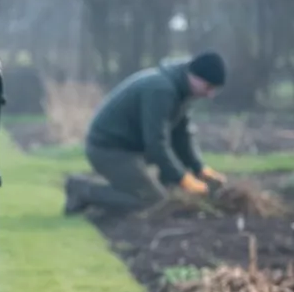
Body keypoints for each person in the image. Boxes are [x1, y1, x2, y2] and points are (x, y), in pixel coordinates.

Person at [64, 51, 228, 217]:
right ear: (194, 76)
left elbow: (182, 136)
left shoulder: (182, 91)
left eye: (214, 90)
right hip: (108, 149)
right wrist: (182, 178)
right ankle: (82, 190)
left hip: (130, 148)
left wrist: (199, 168)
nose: (210, 94)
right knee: (151, 202)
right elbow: (156, 143)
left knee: (158, 194)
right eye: (208, 87)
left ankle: (119, 191)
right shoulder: (162, 90)